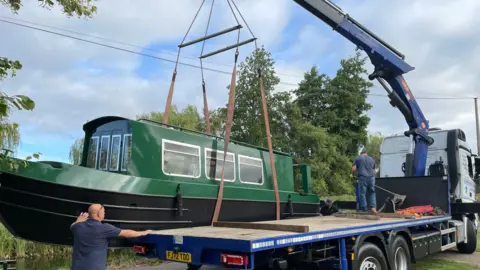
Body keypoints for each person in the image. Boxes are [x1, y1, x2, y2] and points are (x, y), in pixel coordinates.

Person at [70, 204, 152, 270]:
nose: (104, 213)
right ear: (99, 213)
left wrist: (80, 219)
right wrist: (144, 232)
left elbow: (73, 225)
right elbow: (126, 233)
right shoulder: (104, 228)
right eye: (104, 211)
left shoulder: (78, 227)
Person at [352, 149, 377, 213]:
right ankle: (373, 207)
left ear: (361, 154)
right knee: (372, 192)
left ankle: (364, 209)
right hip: (372, 178)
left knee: (362, 193)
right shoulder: (372, 159)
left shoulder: (358, 158)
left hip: (362, 178)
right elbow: (374, 172)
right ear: (366, 153)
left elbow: (354, 169)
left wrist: (353, 174)